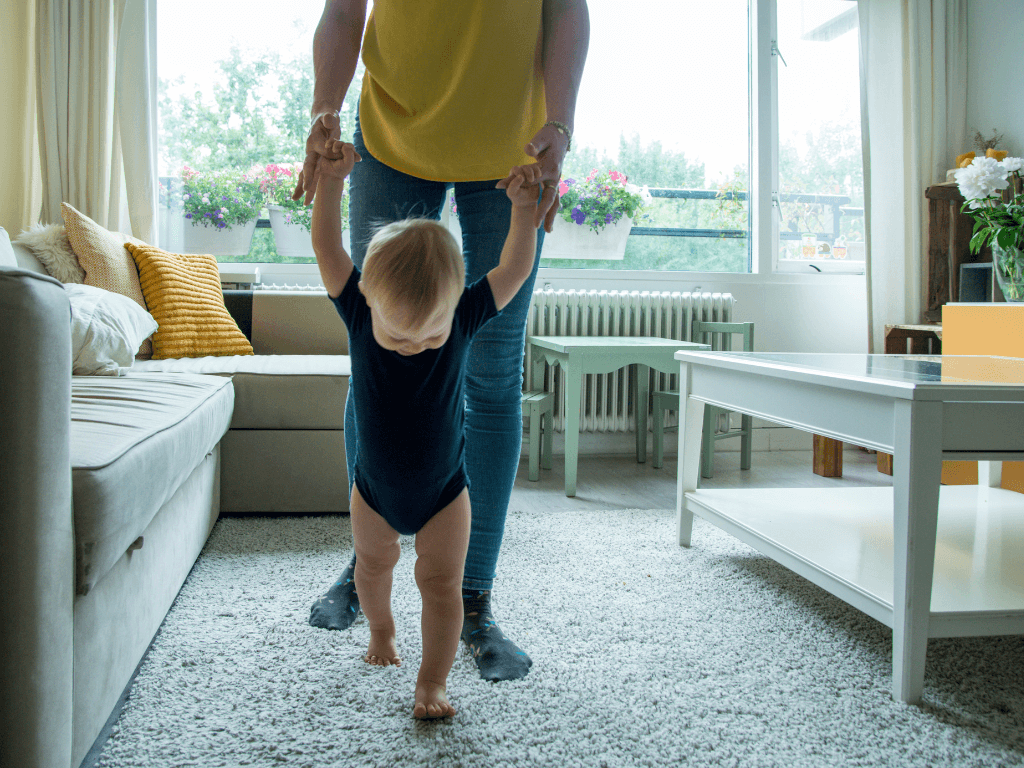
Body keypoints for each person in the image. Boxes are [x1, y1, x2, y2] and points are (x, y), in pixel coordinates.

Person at [301, 0, 590, 683]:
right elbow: (343, 12)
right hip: (391, 137)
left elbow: (567, 12)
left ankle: (473, 595)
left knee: (491, 378)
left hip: (512, 151)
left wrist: (562, 126)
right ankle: (366, 559)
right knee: (372, 354)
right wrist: (323, 110)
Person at [310, 137, 544, 718]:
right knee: (373, 567)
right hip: (373, 492)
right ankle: (382, 635)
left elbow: (512, 269)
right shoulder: (359, 309)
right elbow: (327, 246)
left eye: (431, 335)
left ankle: (431, 683)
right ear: (366, 293)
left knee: (442, 588)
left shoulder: (463, 312)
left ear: (453, 306)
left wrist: (522, 211)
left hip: (446, 495)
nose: (416, 344)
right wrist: (332, 183)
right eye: (400, 336)